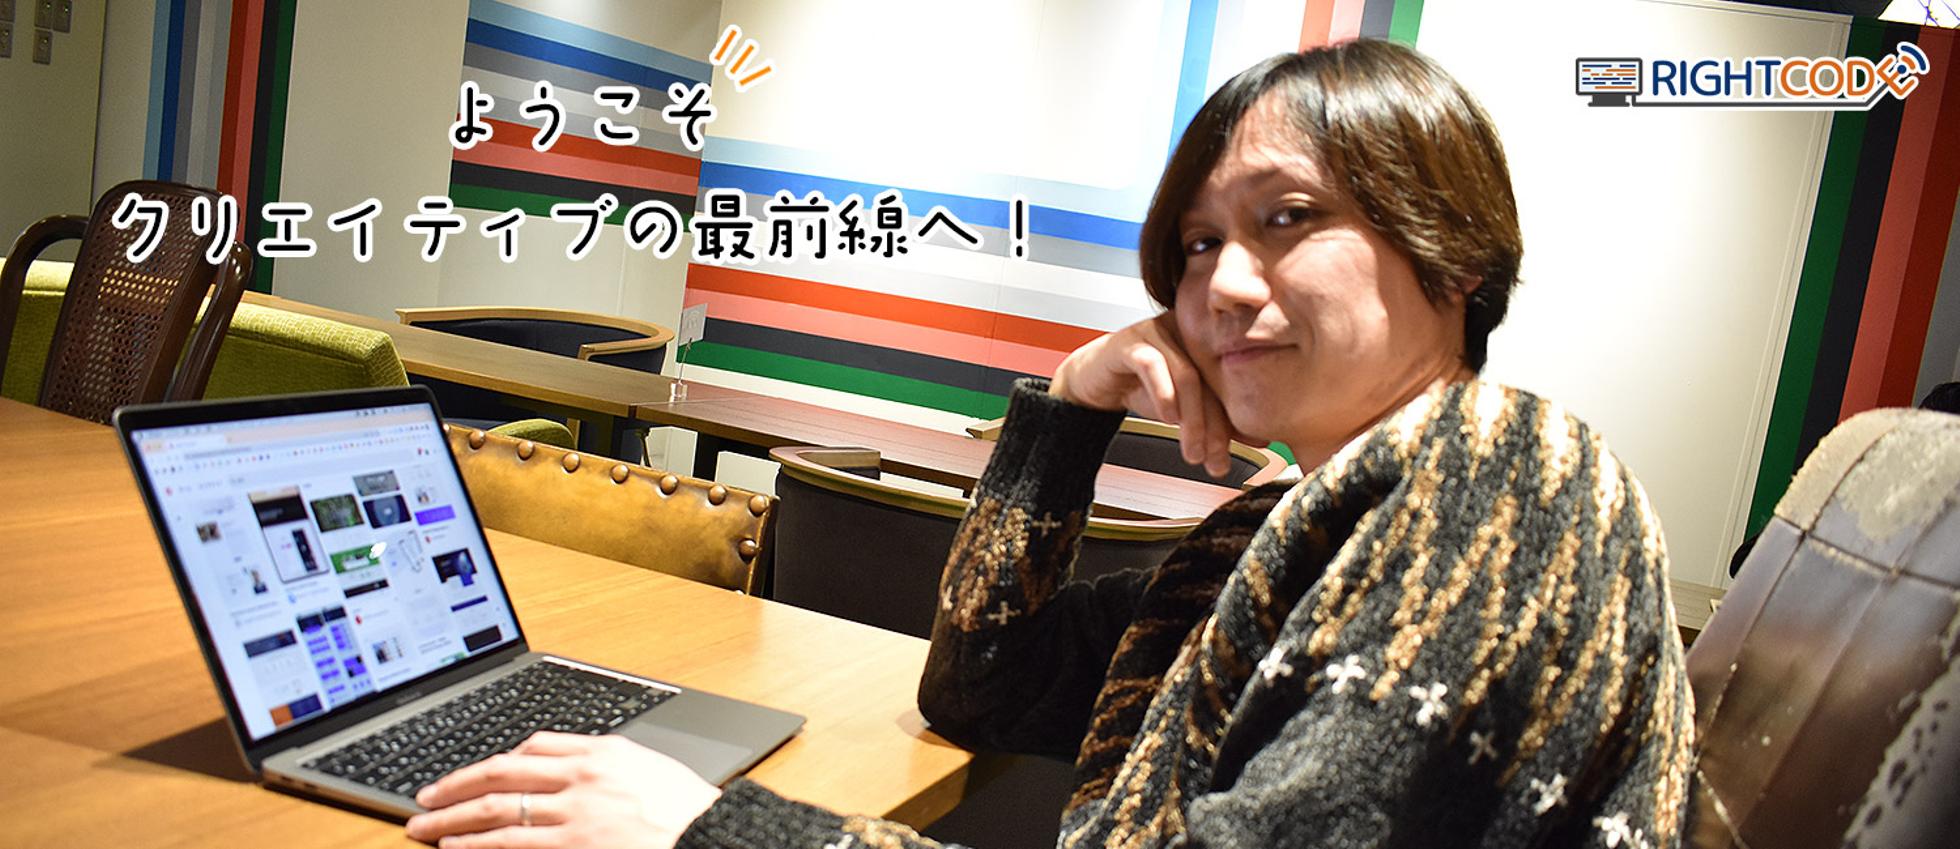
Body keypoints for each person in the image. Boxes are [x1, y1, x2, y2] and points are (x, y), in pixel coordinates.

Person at [406, 39, 1694, 849]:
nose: (1223, 285)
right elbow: (984, 687)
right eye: (1197, 243)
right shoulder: (1289, 520)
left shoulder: (1505, 488)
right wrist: (1069, 408)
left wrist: (711, 830)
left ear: (1453, 254)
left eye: (1288, 218)